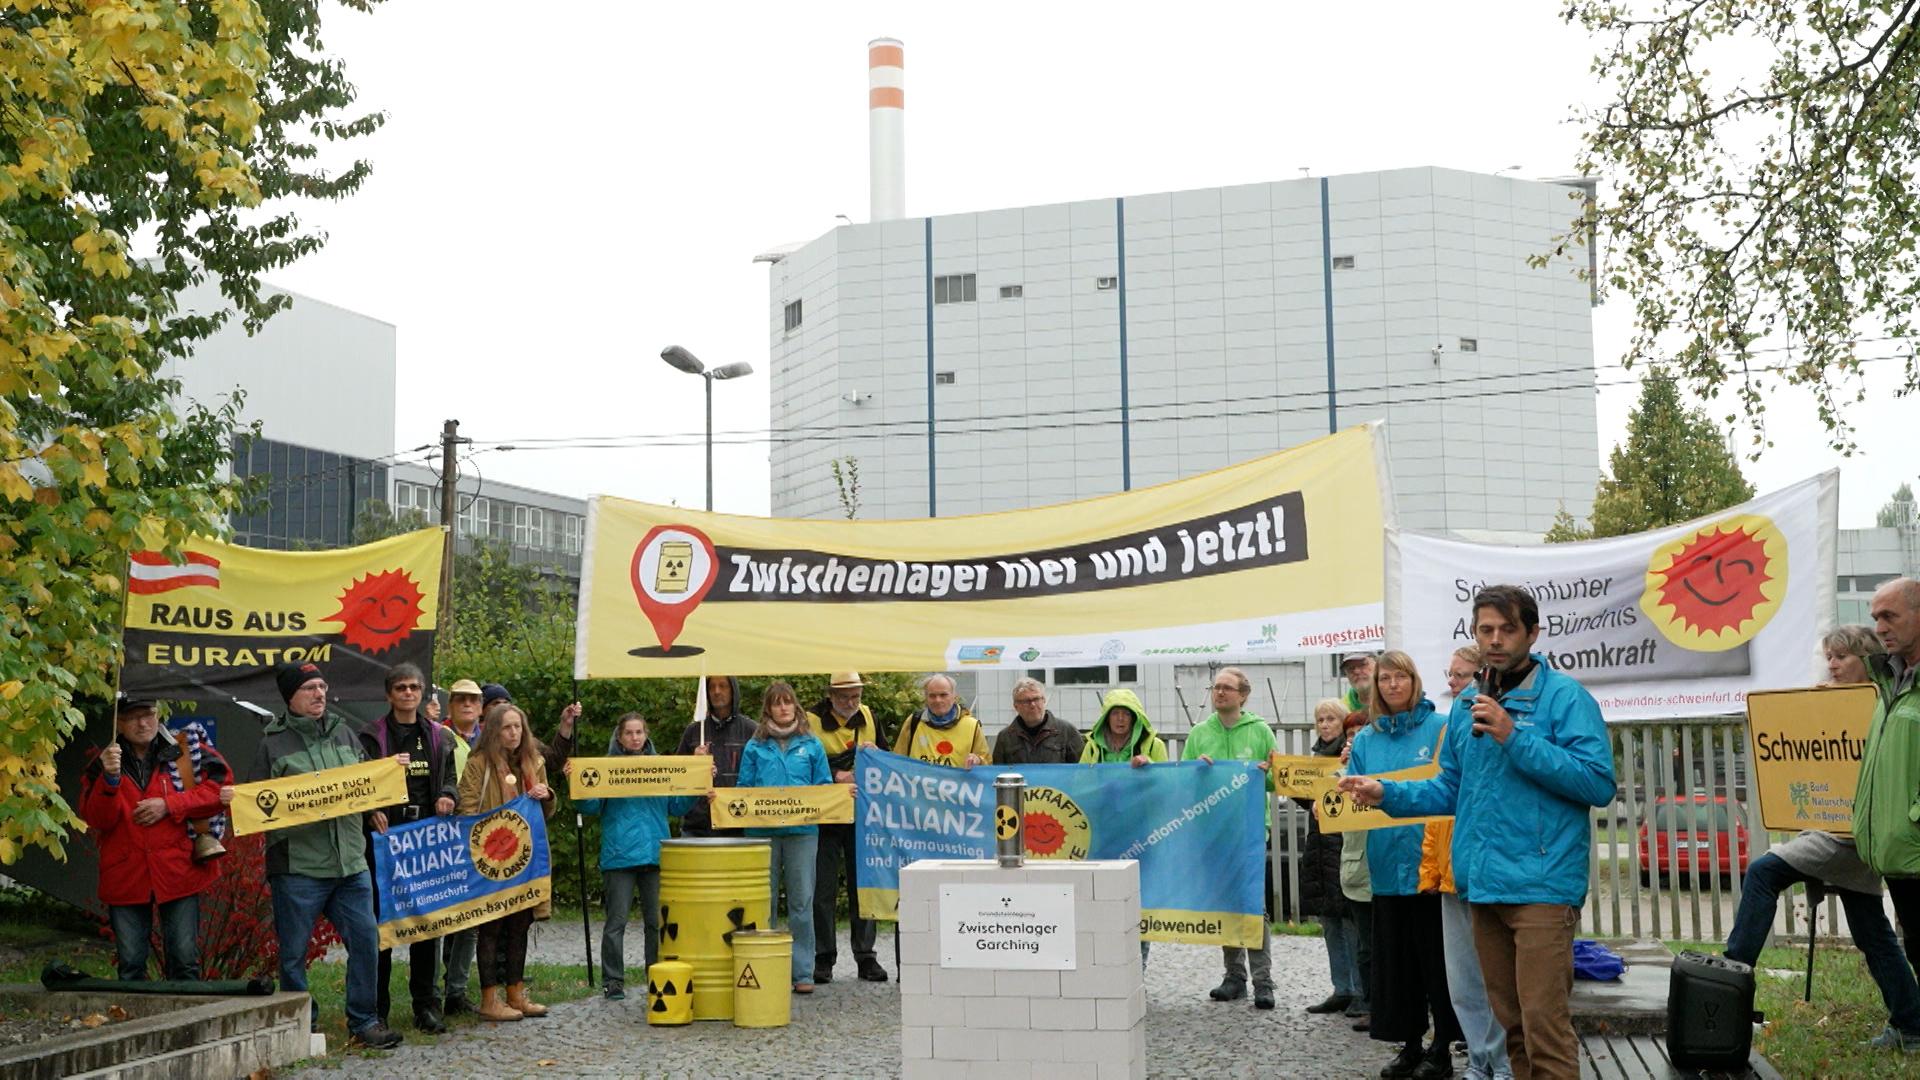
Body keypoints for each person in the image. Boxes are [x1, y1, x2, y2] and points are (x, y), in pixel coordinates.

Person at [1343, 585, 1615, 1080]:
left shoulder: (1565, 698)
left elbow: (1596, 783)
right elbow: (1450, 788)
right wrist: (1386, 794)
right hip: (1482, 886)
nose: (1495, 639)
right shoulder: (1472, 699)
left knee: (1544, 1029)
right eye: (1485, 629)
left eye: (1507, 629)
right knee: (1510, 1028)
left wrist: (1515, 735)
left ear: (1532, 633)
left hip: (1541, 886)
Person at [252, 662, 401, 1049]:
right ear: (291, 698)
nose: (319, 694)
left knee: (367, 940)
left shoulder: (345, 734)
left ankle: (365, 1022)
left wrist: (374, 807)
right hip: (298, 867)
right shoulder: (272, 744)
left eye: (322, 686)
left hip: (350, 862)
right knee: (293, 954)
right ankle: (301, 1025)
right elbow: (256, 804)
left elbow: (364, 783)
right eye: (309, 689)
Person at [1348, 650, 1462, 1080]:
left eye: (1401, 677)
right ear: (1376, 687)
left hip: (1429, 868)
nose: (1393, 685)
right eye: (1385, 678)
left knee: (1437, 964)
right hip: (1385, 864)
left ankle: (1443, 1047)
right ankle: (1410, 1045)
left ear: (1415, 681)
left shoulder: (1441, 728)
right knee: (1396, 967)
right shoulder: (1365, 740)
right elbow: (1353, 799)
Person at [80, 695, 234, 982]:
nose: (143, 723)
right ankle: (136, 1026)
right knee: (130, 966)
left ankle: (185, 1026)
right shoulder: (104, 764)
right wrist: (110, 781)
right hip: (125, 875)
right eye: (133, 717)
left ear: (159, 715)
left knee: (185, 962)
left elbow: (222, 791)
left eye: (148, 714)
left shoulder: (189, 751)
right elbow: (97, 819)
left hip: (179, 871)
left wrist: (169, 805)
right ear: (119, 723)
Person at [1833, 608, 1920, 1054]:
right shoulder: (1892, 685)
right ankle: (1911, 1027)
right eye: (1874, 617)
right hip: (1887, 844)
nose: (1880, 625)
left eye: (1889, 615)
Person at [358, 663, 458, 1034]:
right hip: (385, 839)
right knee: (381, 925)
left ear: (422, 692)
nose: (408, 693)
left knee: (426, 923)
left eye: (414, 687)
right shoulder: (371, 736)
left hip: (424, 839)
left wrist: (448, 796)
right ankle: (377, 1008)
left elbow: (450, 778)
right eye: (400, 688)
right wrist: (371, 811)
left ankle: (425, 1005)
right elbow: (359, 783)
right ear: (389, 694)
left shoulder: (438, 736)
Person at [572, 712, 692, 1001]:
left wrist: (698, 788)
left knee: (656, 922)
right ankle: (613, 980)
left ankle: (657, 974)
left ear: (646, 735)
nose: (635, 738)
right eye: (629, 733)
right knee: (617, 922)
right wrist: (575, 784)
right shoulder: (607, 769)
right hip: (620, 856)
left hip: (654, 854)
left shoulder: (661, 768)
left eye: (639, 732)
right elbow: (589, 807)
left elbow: (676, 806)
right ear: (619, 736)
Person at [1433, 646, 1512, 1080]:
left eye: (1462, 675)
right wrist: (1384, 794)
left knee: (1495, 979)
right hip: (1454, 870)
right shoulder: (1456, 723)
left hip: (1497, 873)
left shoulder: (1507, 721)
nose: (1454, 683)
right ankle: (1479, 1060)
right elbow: (1442, 796)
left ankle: (1503, 1063)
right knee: (1463, 982)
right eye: (1450, 675)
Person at [1182, 666, 1277, 1010]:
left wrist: (1268, 773)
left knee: (1254, 906)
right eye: (1216, 687)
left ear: (1243, 695)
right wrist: (1197, 771)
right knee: (1226, 904)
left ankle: (1263, 980)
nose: (1219, 692)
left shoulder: (1261, 731)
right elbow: (1183, 783)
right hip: (1214, 832)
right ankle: (1234, 976)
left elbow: (1278, 781)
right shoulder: (1199, 733)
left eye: (1227, 688)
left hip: (1250, 831)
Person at [458, 700, 556, 1022]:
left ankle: (516, 993)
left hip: (525, 858)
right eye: (506, 727)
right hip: (491, 858)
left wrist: (548, 796)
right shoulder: (478, 763)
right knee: (491, 927)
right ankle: (489, 998)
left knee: (520, 925)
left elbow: (545, 814)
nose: (513, 733)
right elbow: (467, 809)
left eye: (518, 727)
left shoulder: (533, 761)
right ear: (495, 731)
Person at [735, 681, 835, 994]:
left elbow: (824, 787)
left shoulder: (812, 744)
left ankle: (802, 972)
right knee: (764, 903)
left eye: (787, 702)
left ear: (795, 707)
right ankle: (766, 966)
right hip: (762, 833)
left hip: (802, 834)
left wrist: (842, 795)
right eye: (777, 703)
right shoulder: (755, 746)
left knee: (801, 902)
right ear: (768, 708)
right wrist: (721, 800)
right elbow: (743, 789)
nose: (783, 708)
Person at [806, 672, 889, 985]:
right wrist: (835, 773)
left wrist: (876, 755)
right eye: (844, 698)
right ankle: (823, 957)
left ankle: (866, 956)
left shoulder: (868, 715)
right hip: (825, 815)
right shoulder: (811, 720)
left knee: (863, 887)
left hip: (861, 813)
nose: (851, 703)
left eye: (855, 696)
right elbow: (803, 762)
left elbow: (885, 757)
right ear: (830, 695)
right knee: (823, 889)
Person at [1080, 687, 1166, 968]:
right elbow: (1081, 785)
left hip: (1142, 834)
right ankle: (1106, 964)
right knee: (1103, 898)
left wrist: (1150, 769)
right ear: (1105, 717)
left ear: (1135, 718)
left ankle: (1137, 965)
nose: (1120, 719)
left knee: (1140, 900)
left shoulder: (1154, 745)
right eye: (1114, 713)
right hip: (1103, 834)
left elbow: (1166, 787)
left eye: (1126, 714)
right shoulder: (1091, 746)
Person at [1300, 699, 1361, 1019]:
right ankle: (1342, 988)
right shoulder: (1315, 759)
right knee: (1329, 922)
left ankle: (1360, 989)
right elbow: (1306, 799)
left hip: (1343, 845)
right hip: (1319, 843)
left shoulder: (1351, 754)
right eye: (1320, 719)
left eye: (1331, 719)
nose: (1324, 725)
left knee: (1350, 922)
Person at [438, 678, 485, 1017]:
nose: (467, 705)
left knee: (472, 918)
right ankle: (433, 989)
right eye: (460, 700)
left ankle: (456, 991)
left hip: (482, 838)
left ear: (481, 707)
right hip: (445, 835)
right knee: (441, 920)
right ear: (450, 706)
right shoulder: (438, 737)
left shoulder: (491, 739)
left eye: (473, 700)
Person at [676, 675, 756, 837]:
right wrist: (693, 763)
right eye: (712, 687)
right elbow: (677, 777)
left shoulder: (751, 730)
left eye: (722, 686)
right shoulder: (694, 731)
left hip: (739, 824)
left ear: (733, 690)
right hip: (697, 826)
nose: (716, 691)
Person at [1339, 710, 1376, 1032]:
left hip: (1387, 867)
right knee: (1366, 946)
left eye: (1360, 733)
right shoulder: (1339, 771)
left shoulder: (1384, 766)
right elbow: (1325, 811)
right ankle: (1371, 1003)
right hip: (1357, 869)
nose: (1354, 740)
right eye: (1350, 735)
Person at [892, 674, 990, 767]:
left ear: (954, 696)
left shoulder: (972, 726)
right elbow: (897, 760)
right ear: (925, 698)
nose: (938, 700)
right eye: (932, 696)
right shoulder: (914, 721)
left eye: (943, 695)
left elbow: (987, 763)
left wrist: (978, 760)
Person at [993, 677, 1085, 765]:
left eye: (1036, 699)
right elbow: (997, 774)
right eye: (1026, 701)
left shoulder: (1066, 731)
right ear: (1016, 706)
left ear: (1044, 700)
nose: (1032, 705)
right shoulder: (1005, 737)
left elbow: (1083, 770)